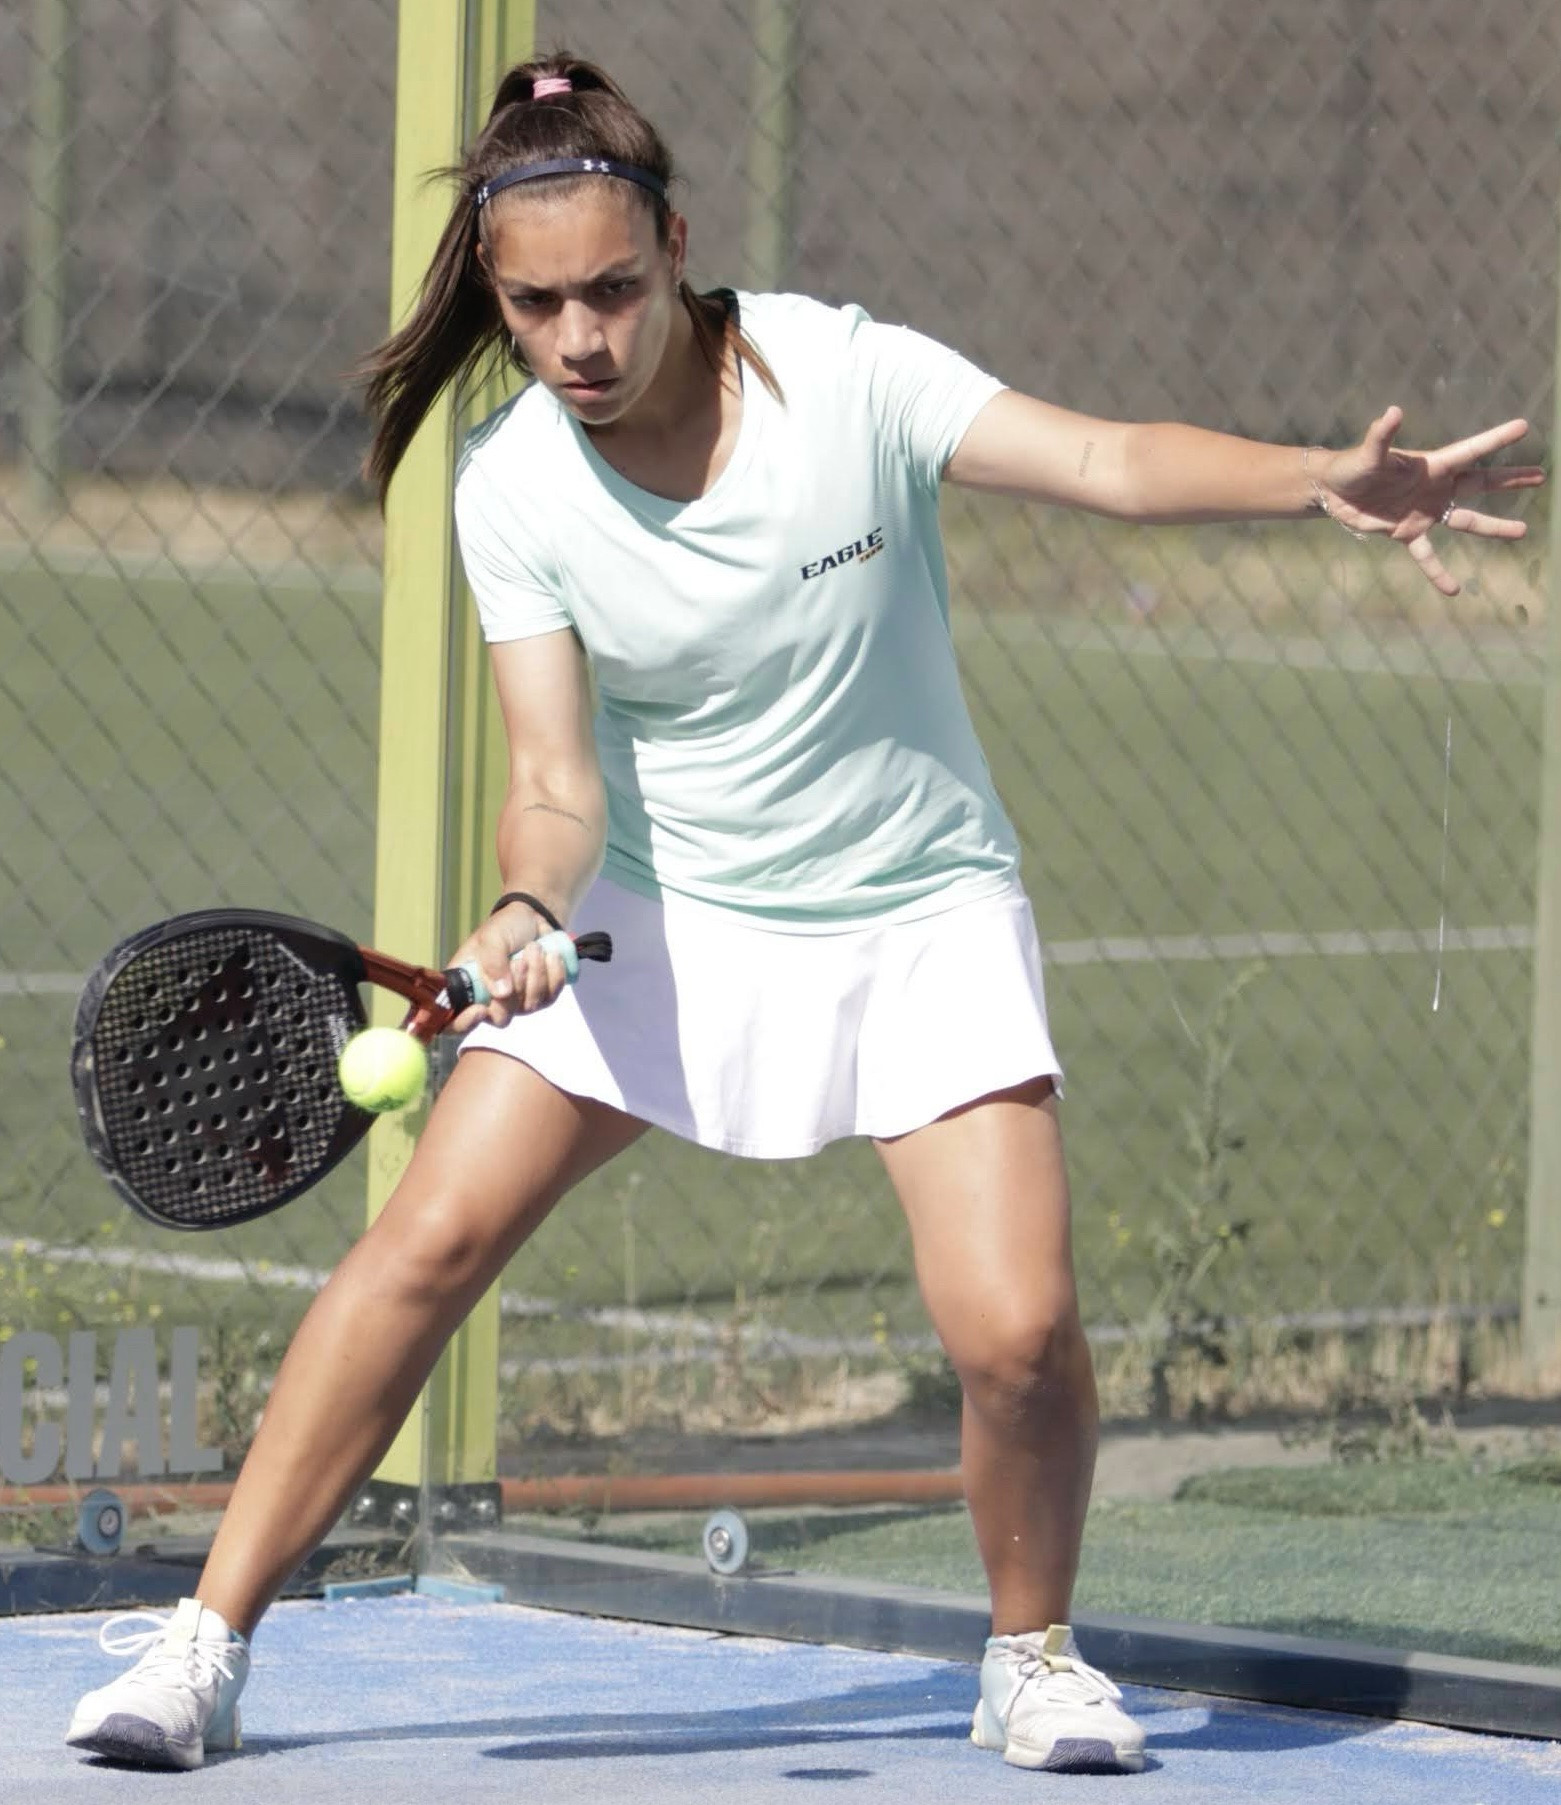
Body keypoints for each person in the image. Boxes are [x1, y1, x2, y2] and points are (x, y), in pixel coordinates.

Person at [67, 53, 1541, 1777]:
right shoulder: (511, 482)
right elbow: (553, 777)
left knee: (1012, 1332)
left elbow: (1100, 457)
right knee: (423, 1248)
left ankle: (1030, 1655)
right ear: (497, 297)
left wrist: (1314, 480)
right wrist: (526, 900)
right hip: (660, 919)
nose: (579, 338)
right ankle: (205, 1642)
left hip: (917, 913)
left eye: (613, 289)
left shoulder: (843, 374)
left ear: (676, 246)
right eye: (535, 306)